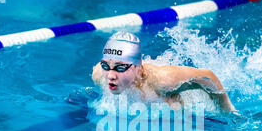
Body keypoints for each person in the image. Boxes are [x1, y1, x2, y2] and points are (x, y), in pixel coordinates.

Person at [91, 31, 236, 112]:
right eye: (106, 66)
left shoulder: (163, 81)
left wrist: (227, 112)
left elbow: (208, 77)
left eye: (120, 67)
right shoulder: (99, 75)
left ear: (138, 66)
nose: (110, 75)